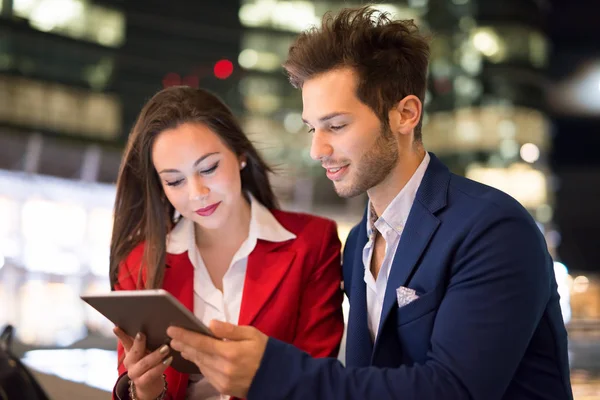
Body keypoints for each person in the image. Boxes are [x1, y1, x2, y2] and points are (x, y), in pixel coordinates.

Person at [165, 6, 574, 400]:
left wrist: (274, 372)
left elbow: (454, 390)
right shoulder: (359, 240)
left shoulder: (492, 228)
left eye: (336, 126)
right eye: (312, 128)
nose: (317, 149)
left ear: (405, 114)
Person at [109, 86, 344, 400]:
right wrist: (146, 393)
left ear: (240, 155)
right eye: (174, 180)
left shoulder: (312, 244)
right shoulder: (138, 264)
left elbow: (318, 384)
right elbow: (131, 382)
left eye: (208, 168)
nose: (197, 192)